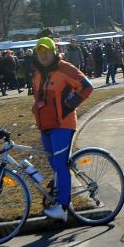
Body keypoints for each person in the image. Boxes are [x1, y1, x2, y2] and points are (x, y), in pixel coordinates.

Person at [31, 37, 93, 222]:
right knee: (55, 166)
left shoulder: (64, 68)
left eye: (47, 52)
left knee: (60, 164)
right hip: (46, 125)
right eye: (40, 52)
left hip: (63, 124)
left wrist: (68, 106)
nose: (43, 55)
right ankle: (64, 198)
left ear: (54, 52)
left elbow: (87, 87)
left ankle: (63, 208)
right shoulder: (37, 74)